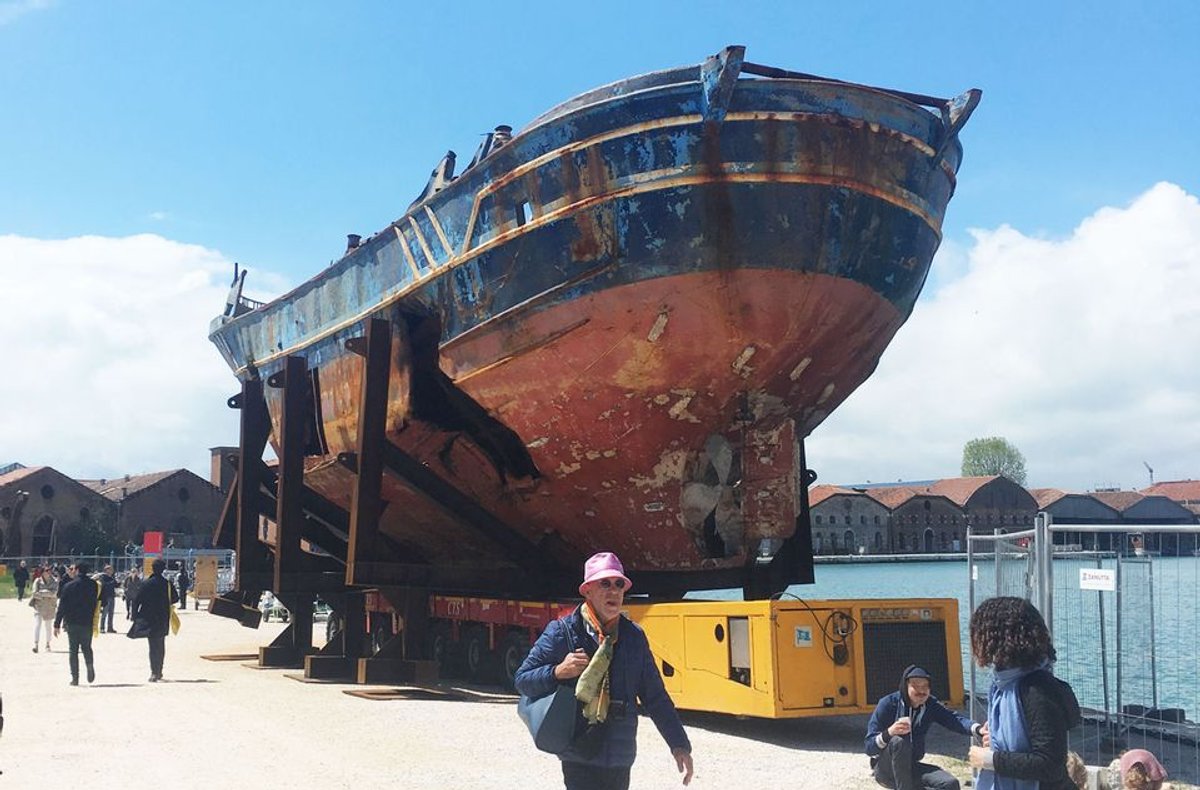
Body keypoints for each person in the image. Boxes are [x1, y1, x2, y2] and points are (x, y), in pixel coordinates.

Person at [514, 551, 694, 789]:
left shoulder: (633, 637)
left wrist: (679, 744)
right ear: (587, 590)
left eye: (619, 584)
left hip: (620, 755)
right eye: (605, 584)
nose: (614, 591)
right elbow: (522, 680)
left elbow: (655, 697)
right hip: (578, 750)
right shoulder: (563, 632)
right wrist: (557, 671)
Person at [967, 597, 1081, 790]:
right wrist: (996, 739)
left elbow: (1049, 764)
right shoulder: (1004, 684)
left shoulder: (1037, 689)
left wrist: (991, 759)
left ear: (996, 638)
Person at [865, 664, 979, 789]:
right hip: (885, 770)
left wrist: (977, 729)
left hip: (911, 766)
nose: (921, 691)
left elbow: (954, 720)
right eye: (916, 686)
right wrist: (889, 732)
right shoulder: (888, 704)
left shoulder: (930, 705)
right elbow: (869, 747)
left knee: (950, 784)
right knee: (899, 741)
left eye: (925, 686)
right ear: (905, 686)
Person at [53, 562, 101, 686]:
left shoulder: (69, 586)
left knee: (73, 650)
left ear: (77, 570)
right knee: (87, 647)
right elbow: (95, 601)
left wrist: (57, 623)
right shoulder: (93, 585)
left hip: (72, 621)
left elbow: (62, 606)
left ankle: (75, 678)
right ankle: (89, 666)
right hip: (87, 621)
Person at [133, 558, 178, 682]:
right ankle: (159, 671)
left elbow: (137, 600)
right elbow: (175, 598)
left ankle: (154, 672)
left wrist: (134, 616)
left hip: (149, 618)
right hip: (163, 617)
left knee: (152, 646)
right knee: (160, 645)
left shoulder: (146, 583)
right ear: (163, 569)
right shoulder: (167, 584)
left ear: (152, 568)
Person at [30, 566, 59, 653]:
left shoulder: (55, 581)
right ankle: (36, 644)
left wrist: (42, 593)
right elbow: (34, 594)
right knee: (37, 625)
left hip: (49, 606)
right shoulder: (38, 581)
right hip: (39, 606)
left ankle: (47, 644)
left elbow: (54, 594)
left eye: (49, 571)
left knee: (48, 626)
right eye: (46, 571)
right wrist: (46, 593)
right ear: (42, 572)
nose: (48, 572)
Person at [97, 564, 118, 634]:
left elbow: (116, 585)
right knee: (104, 613)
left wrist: (117, 582)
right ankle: (102, 628)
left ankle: (110, 627)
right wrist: (112, 582)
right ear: (106, 570)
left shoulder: (112, 577)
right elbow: (104, 585)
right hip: (105, 597)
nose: (111, 571)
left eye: (112, 570)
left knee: (111, 613)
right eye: (110, 570)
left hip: (112, 596)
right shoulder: (103, 577)